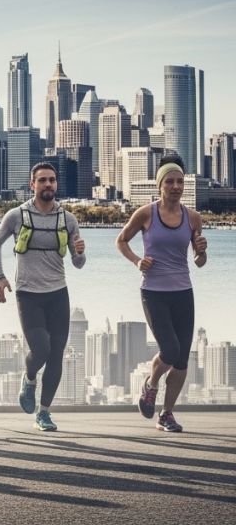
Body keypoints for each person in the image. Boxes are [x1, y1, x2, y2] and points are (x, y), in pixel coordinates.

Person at [0, 162, 86, 431]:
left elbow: (78, 263)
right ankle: (29, 377)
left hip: (58, 293)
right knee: (41, 349)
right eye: (42, 180)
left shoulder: (67, 219)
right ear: (32, 185)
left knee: (56, 355)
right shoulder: (17, 216)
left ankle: (43, 413)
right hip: (28, 294)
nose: (48, 185)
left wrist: (79, 250)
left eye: (52, 180)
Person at [116, 154, 207, 433]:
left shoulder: (193, 218)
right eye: (170, 181)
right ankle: (150, 385)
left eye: (180, 181)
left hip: (183, 292)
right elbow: (121, 240)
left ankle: (166, 414)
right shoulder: (146, 213)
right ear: (160, 185)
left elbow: (200, 262)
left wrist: (202, 251)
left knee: (181, 360)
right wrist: (136, 261)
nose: (176, 186)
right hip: (154, 292)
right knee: (170, 350)